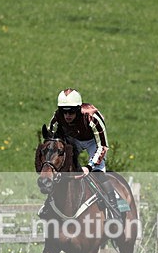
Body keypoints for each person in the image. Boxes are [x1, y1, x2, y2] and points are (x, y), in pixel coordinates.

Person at [41, 88, 124, 219]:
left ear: (79, 109)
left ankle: (115, 210)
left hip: (93, 142)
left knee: (98, 172)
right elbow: (52, 142)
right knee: (60, 172)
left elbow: (102, 146)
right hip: (72, 140)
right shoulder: (57, 118)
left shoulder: (92, 117)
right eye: (64, 111)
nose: (67, 115)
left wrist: (89, 167)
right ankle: (48, 204)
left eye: (72, 112)